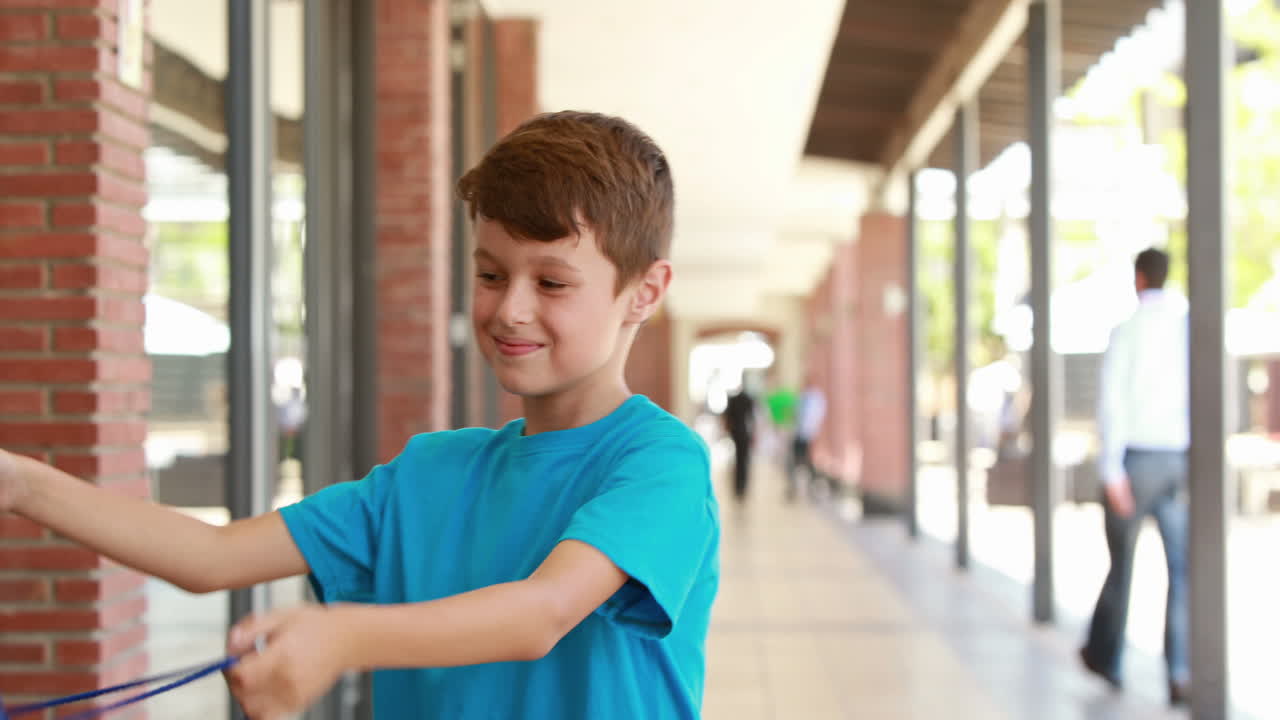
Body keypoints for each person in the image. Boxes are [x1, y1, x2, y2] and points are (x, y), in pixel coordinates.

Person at [0, 111, 720, 719]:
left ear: (645, 291)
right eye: (491, 274)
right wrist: (21, 485)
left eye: (553, 281)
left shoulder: (660, 465)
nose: (510, 309)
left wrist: (342, 638)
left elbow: (543, 612)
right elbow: (210, 557)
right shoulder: (430, 473)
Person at [1080, 247, 1190, 706]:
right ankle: (1179, 668)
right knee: (1180, 573)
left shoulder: (1126, 331)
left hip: (1136, 461)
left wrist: (1112, 472)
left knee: (1121, 566)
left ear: (1140, 279)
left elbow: (1112, 403)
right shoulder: (1187, 331)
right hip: (1178, 460)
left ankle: (1108, 658)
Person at [789, 378, 826, 500]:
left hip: (809, 434)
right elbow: (796, 414)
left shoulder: (817, 398)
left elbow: (816, 418)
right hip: (799, 433)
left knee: (809, 461)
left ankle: (814, 486)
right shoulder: (802, 397)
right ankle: (794, 486)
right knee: (795, 461)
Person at [721, 382, 756, 502]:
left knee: (738, 458)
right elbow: (752, 418)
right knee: (744, 460)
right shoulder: (748, 399)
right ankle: (743, 486)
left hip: (736, 432)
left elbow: (727, 417)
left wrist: (727, 429)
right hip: (744, 432)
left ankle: (738, 486)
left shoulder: (734, 400)